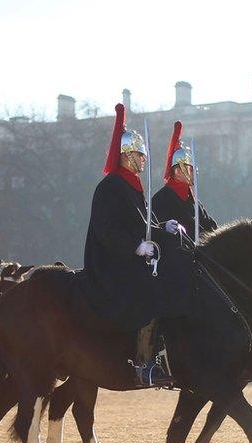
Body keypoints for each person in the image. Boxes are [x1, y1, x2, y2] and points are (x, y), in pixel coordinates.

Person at [76, 103, 183, 387]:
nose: (144, 160)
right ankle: (143, 363)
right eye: (139, 154)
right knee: (150, 292)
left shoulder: (133, 185)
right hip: (111, 262)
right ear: (126, 155)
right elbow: (107, 231)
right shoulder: (110, 186)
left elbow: (144, 225)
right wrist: (136, 247)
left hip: (129, 259)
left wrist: (164, 229)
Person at [152, 121, 217, 238]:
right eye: (190, 169)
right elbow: (152, 228)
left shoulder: (194, 202)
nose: (194, 173)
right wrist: (164, 227)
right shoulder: (162, 198)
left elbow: (211, 228)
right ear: (178, 170)